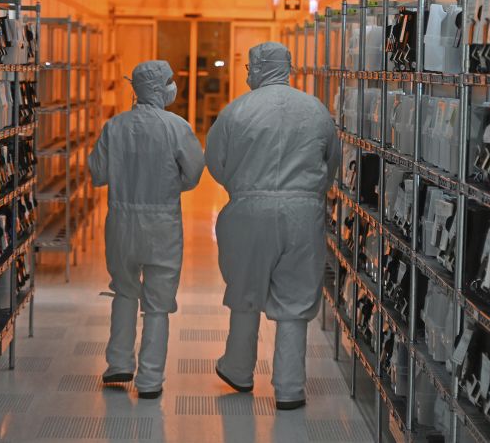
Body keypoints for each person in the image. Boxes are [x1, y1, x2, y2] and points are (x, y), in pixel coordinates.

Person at [205, 41, 340, 410]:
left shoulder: (236, 111)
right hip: (302, 214)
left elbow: (215, 162)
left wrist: (243, 187)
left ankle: (238, 369)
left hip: (249, 211)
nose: (247, 71)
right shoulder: (316, 111)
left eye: (249, 65)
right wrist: (306, 194)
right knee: (295, 302)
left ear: (259, 67)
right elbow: (331, 162)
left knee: (246, 291)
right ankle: (290, 388)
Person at [88, 59, 205, 399]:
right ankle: (150, 380)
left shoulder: (115, 126)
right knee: (158, 304)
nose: (172, 87)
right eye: (169, 82)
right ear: (156, 88)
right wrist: (170, 186)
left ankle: (118, 364)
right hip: (162, 225)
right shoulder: (176, 126)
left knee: (124, 291)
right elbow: (194, 172)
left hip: (122, 222)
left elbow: (97, 173)